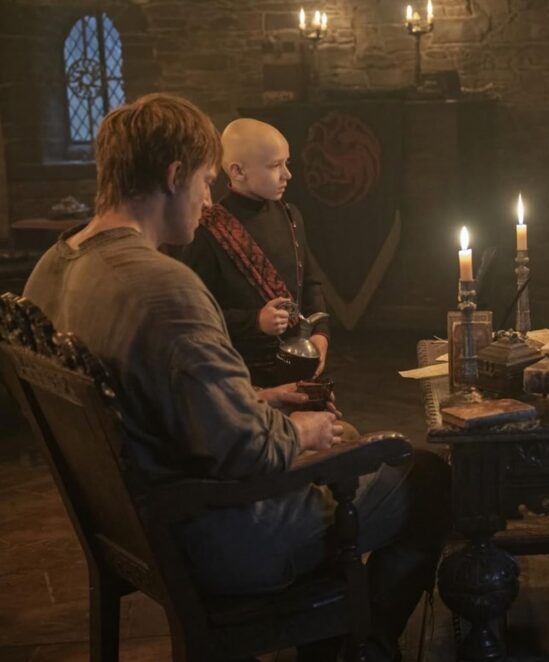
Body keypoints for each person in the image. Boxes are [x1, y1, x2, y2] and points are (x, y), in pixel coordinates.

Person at [23, 94, 449, 661]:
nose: (207, 198)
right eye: (203, 180)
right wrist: (304, 431)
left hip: (131, 529)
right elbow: (250, 451)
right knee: (422, 475)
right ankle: (359, 646)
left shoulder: (50, 269)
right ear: (175, 175)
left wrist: (264, 395)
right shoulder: (162, 286)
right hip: (220, 536)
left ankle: (334, 638)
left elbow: (148, 400)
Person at [173, 118, 330, 386]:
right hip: (243, 375)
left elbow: (311, 284)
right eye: (274, 165)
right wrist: (255, 321)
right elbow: (197, 316)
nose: (287, 175)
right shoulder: (206, 231)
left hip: (299, 361)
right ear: (238, 171)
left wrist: (321, 336)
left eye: (286, 163)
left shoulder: (291, 216)